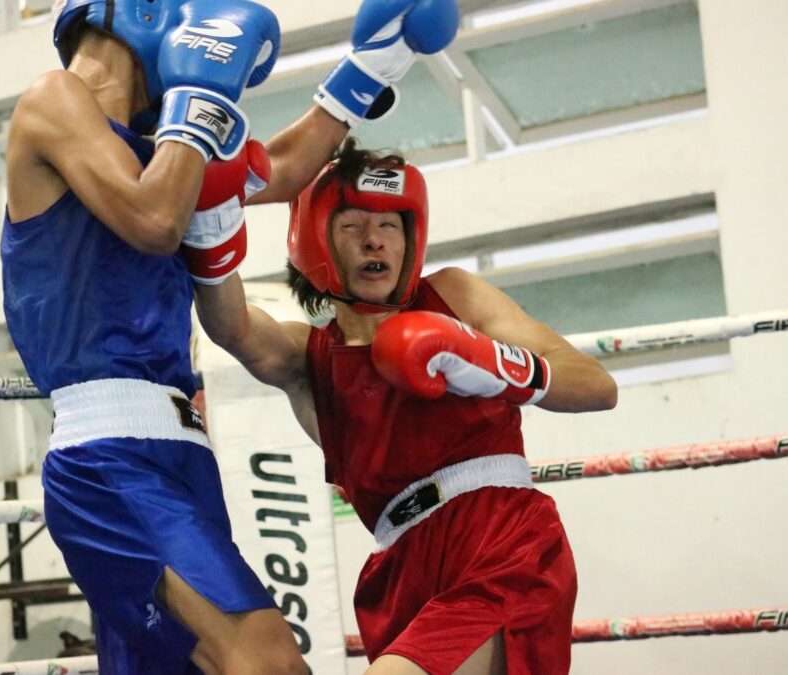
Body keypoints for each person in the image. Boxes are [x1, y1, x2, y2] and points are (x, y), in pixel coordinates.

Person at [0, 0, 458, 672]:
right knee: (268, 662)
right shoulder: (55, 99)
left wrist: (375, 63)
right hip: (110, 457)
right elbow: (154, 222)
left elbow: (284, 166)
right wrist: (198, 100)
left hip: (181, 454)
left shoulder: (167, 153)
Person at [192, 139, 619, 675]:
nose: (374, 239)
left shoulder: (455, 297)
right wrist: (209, 222)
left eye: (390, 225)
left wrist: (491, 363)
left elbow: (597, 385)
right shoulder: (309, 357)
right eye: (353, 225)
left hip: (502, 540)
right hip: (398, 567)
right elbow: (232, 327)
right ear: (317, 238)